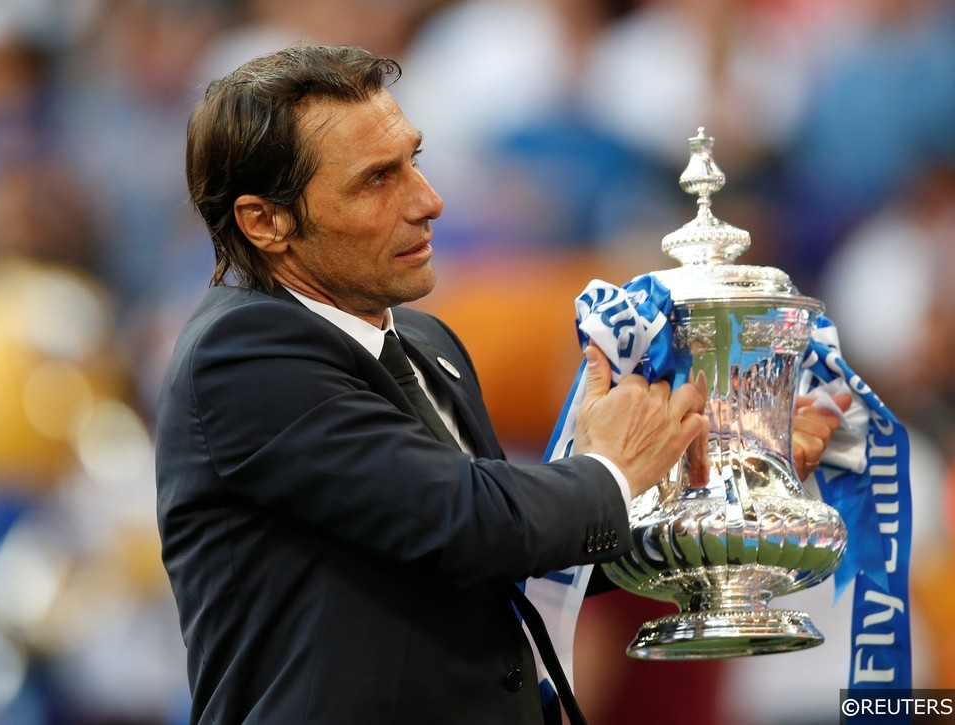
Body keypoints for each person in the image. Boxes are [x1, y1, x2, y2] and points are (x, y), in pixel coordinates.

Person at [155, 44, 845, 725]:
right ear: (264, 221)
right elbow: (469, 520)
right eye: (375, 180)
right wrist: (607, 468)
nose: (428, 201)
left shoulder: (428, 345)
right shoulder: (241, 353)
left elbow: (516, 557)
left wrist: (722, 480)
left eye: (413, 162)